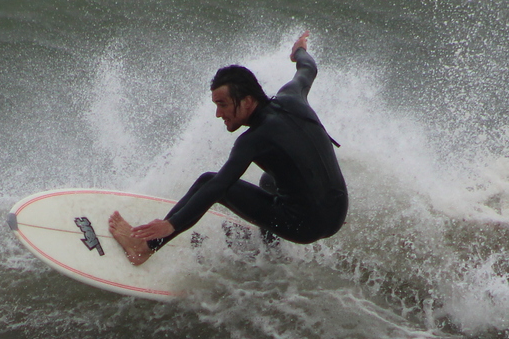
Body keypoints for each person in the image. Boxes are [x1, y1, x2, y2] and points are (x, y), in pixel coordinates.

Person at [108, 31, 346, 265]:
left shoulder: (254, 139)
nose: (218, 114)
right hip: (337, 212)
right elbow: (308, 69)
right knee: (268, 181)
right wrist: (299, 50)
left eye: (223, 105)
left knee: (207, 181)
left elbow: (219, 185)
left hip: (305, 226)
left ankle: (143, 248)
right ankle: (271, 250)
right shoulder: (292, 95)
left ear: (248, 101)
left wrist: (172, 224)